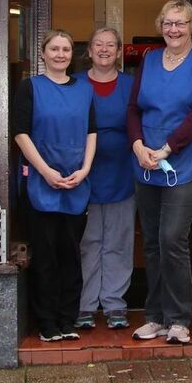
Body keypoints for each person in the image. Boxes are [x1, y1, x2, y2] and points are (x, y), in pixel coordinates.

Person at [127, 0, 192, 345]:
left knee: (171, 239)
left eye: (180, 23)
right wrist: (138, 146)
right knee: (151, 243)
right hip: (145, 162)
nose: (173, 29)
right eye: (167, 23)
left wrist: (167, 147)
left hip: (182, 161)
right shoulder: (149, 59)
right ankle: (156, 318)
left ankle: (179, 319)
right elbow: (133, 108)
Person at [13, 29, 96, 343]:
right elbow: (20, 133)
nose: (60, 54)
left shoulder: (84, 90)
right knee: (45, 256)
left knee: (70, 255)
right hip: (41, 182)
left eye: (65, 49)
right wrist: (45, 171)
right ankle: (47, 323)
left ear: (71, 54)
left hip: (76, 182)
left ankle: (67, 319)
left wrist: (85, 169)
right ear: (43, 53)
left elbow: (92, 132)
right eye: (54, 49)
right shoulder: (30, 88)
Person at [73, 27, 138, 331]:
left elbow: (142, 123)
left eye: (110, 45)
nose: (104, 49)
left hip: (123, 172)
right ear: (89, 50)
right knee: (88, 242)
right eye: (98, 44)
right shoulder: (75, 85)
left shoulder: (130, 85)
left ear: (118, 51)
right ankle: (85, 305)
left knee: (119, 241)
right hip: (83, 173)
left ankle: (114, 304)